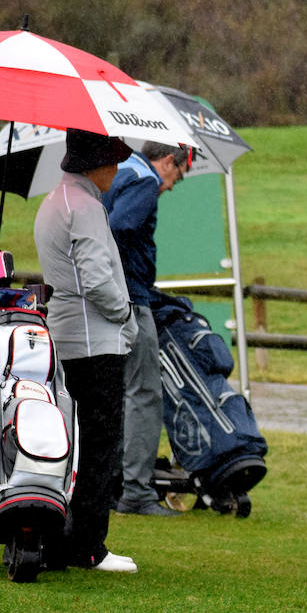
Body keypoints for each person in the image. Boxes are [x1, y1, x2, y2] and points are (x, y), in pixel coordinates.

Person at [33, 128, 141, 573]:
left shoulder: (53, 203)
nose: (116, 170)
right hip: (96, 342)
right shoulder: (86, 208)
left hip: (65, 338)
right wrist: (126, 315)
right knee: (99, 447)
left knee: (71, 447)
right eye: (112, 161)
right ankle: (89, 546)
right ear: (94, 164)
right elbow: (98, 280)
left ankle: (61, 537)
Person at [102, 141, 191, 517]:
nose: (171, 185)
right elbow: (120, 226)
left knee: (114, 394)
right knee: (144, 393)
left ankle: (109, 483)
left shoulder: (120, 170)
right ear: (169, 160)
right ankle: (136, 490)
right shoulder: (144, 180)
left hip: (105, 297)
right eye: (178, 175)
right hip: (131, 298)